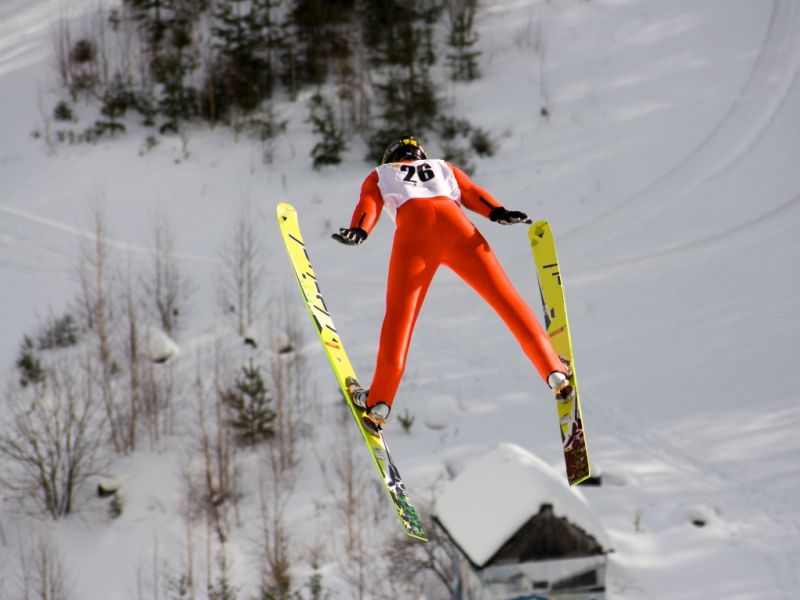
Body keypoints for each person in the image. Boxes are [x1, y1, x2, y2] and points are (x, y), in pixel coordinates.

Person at [333, 135, 573, 432]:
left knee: (399, 319)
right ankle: (554, 371)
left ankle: (380, 403)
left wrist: (359, 230)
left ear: (391, 157)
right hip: (458, 229)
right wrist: (498, 212)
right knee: (505, 298)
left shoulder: (382, 173)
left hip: (414, 235)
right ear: (421, 154)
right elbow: (471, 192)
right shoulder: (441, 166)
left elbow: (368, 202)